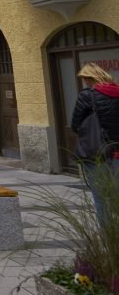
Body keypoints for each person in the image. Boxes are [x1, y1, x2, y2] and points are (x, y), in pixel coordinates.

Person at [71, 63, 119, 227]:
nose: (85, 83)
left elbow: (75, 125)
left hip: (96, 154)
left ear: (90, 78)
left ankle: (108, 241)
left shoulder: (87, 95)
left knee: (101, 197)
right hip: (117, 153)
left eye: (85, 79)